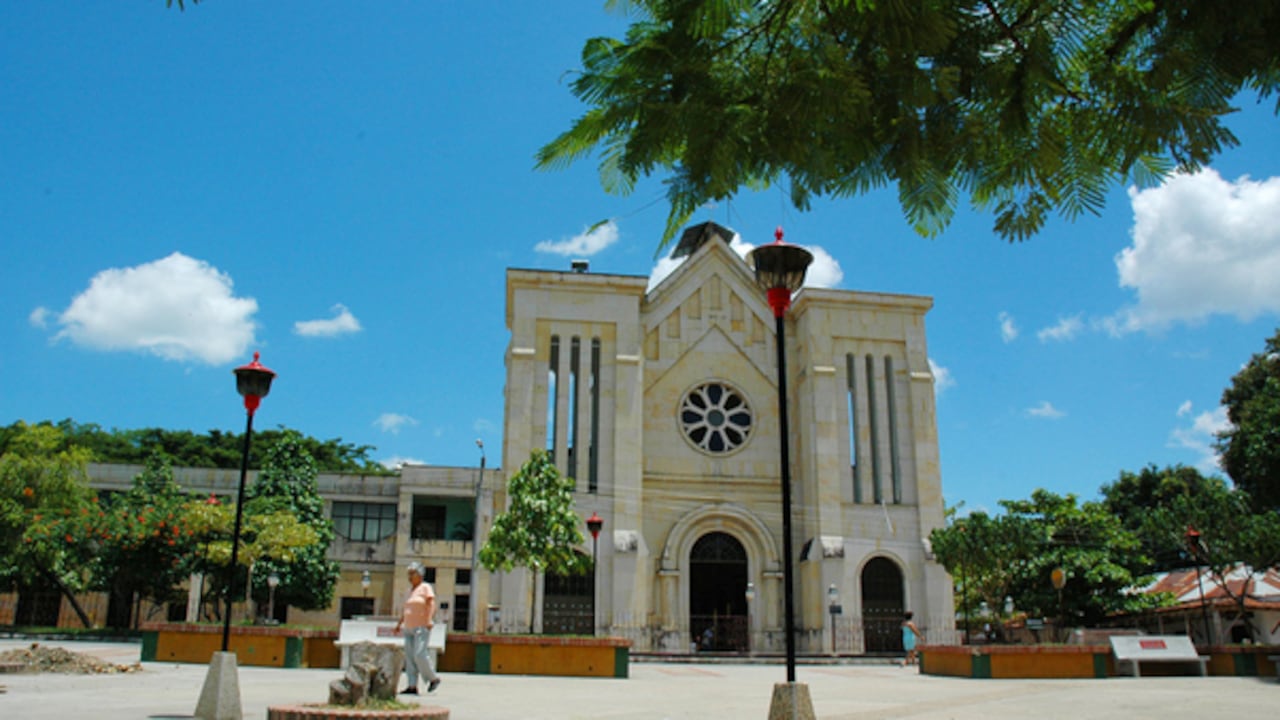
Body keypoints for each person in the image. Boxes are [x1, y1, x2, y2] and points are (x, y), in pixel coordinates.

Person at [394, 561, 441, 694]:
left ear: (420, 575)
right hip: (408, 627)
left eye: (412, 574)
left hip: (421, 626)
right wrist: (399, 624)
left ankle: (433, 678)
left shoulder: (425, 587)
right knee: (409, 657)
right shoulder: (409, 591)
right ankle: (412, 685)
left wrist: (429, 619)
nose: (409, 577)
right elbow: (406, 609)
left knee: (419, 654)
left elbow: (431, 604)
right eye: (408, 574)